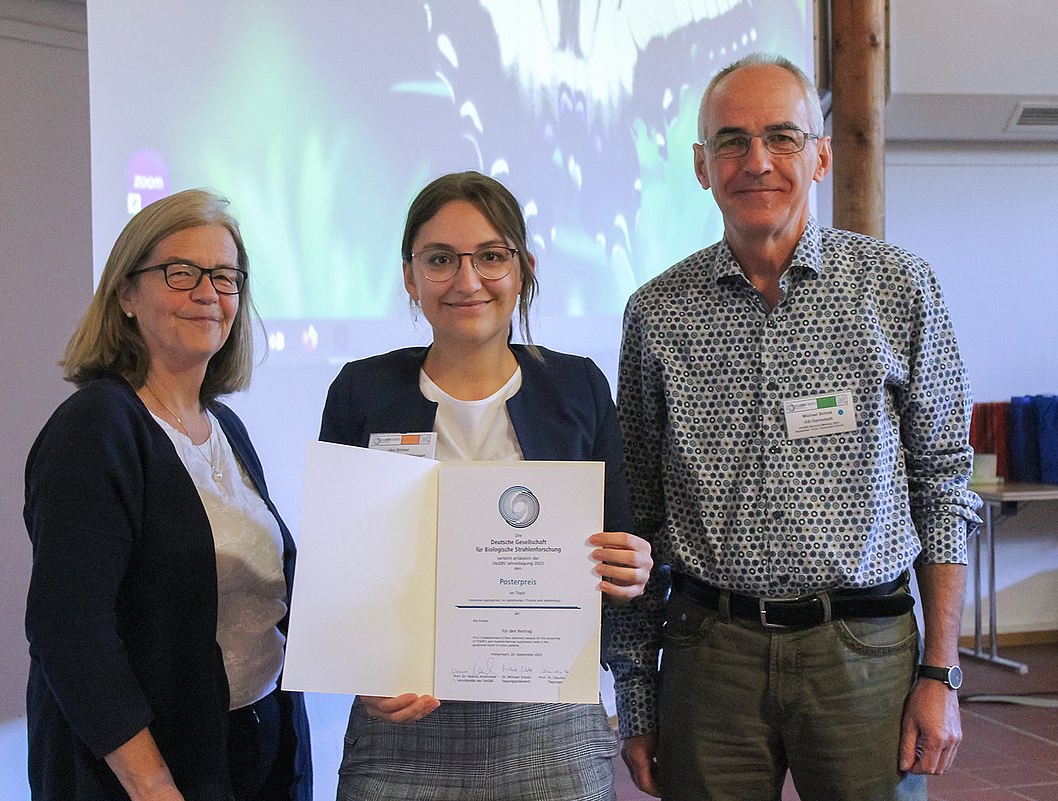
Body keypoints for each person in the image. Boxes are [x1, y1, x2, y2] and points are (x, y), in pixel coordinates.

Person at [616, 53, 982, 801]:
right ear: (701, 165)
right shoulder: (656, 313)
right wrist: (637, 699)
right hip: (708, 658)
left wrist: (941, 672)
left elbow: (944, 485)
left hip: (864, 656)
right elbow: (638, 517)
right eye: (732, 140)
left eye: (782, 137)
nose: (757, 161)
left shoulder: (899, 288)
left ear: (820, 156)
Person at [319, 170, 653, 801]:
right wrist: (361, 665)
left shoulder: (577, 388)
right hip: (403, 730)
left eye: (491, 257)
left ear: (523, 269)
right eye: (440, 259)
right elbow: (339, 572)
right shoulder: (361, 392)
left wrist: (631, 570)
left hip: (551, 726)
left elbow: (617, 557)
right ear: (410, 276)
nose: (467, 281)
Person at [24, 189, 311, 801]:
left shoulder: (224, 427)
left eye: (225, 276)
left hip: (256, 740)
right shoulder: (96, 427)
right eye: (181, 272)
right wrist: (152, 784)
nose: (207, 292)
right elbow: (69, 632)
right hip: (149, 770)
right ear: (126, 295)